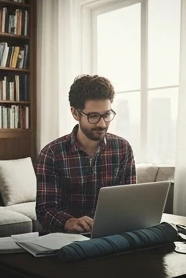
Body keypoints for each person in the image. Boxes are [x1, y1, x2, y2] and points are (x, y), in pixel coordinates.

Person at [35, 74, 137, 234]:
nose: (102, 124)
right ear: (75, 113)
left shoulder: (122, 148)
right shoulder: (52, 153)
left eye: (106, 115)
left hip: (110, 235)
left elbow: (130, 201)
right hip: (64, 240)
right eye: (93, 116)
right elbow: (44, 210)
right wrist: (69, 222)